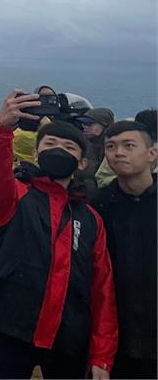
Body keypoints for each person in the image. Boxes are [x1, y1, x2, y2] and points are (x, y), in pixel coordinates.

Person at [0, 91, 117, 379]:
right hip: (15, 330)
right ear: (36, 154)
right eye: (50, 143)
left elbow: (103, 289)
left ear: (82, 163)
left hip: (69, 337)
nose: (59, 150)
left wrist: (102, 354)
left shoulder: (91, 219)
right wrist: (1, 127)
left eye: (69, 146)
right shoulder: (15, 195)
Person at [93, 120, 157, 379]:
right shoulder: (98, 205)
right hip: (117, 332)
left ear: (151, 153)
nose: (118, 152)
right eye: (111, 146)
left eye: (128, 145)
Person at [80, 108, 114, 197]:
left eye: (89, 124)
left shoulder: (116, 148)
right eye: (83, 124)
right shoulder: (81, 145)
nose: (85, 127)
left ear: (105, 125)